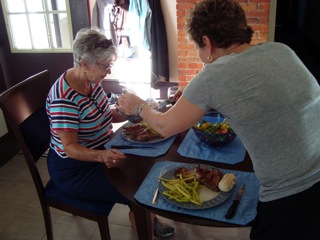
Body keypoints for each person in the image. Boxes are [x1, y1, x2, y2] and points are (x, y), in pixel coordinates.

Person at [116, 0, 320, 239]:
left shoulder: (214, 77)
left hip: (291, 195)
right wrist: (197, 90)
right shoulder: (281, 50)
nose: (202, 58)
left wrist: (138, 106)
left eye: (198, 49)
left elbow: (164, 126)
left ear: (207, 42)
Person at [46, 27, 174, 239]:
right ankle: (144, 220)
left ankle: (144, 216)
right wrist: (101, 156)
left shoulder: (91, 82)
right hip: (75, 168)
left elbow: (107, 116)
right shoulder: (64, 98)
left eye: (110, 65)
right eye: (105, 66)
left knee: (146, 164)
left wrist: (134, 111)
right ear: (85, 64)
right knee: (137, 186)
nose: (108, 72)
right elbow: (70, 148)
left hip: (101, 149)